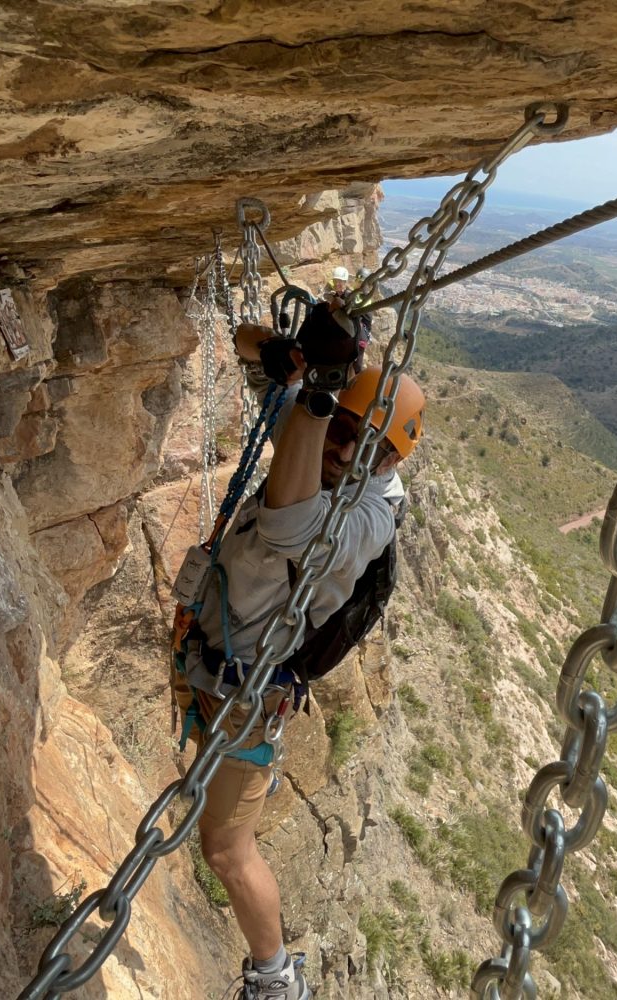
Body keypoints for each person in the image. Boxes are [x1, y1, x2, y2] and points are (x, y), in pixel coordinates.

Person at [172, 302, 425, 1000]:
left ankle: (275, 976)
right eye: (342, 430)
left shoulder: (369, 518)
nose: (344, 451)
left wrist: (315, 400)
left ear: (394, 459)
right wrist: (289, 354)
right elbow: (248, 345)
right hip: (214, 660)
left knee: (224, 849)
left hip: (249, 698)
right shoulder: (318, 425)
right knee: (218, 809)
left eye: (366, 447)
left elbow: (289, 522)